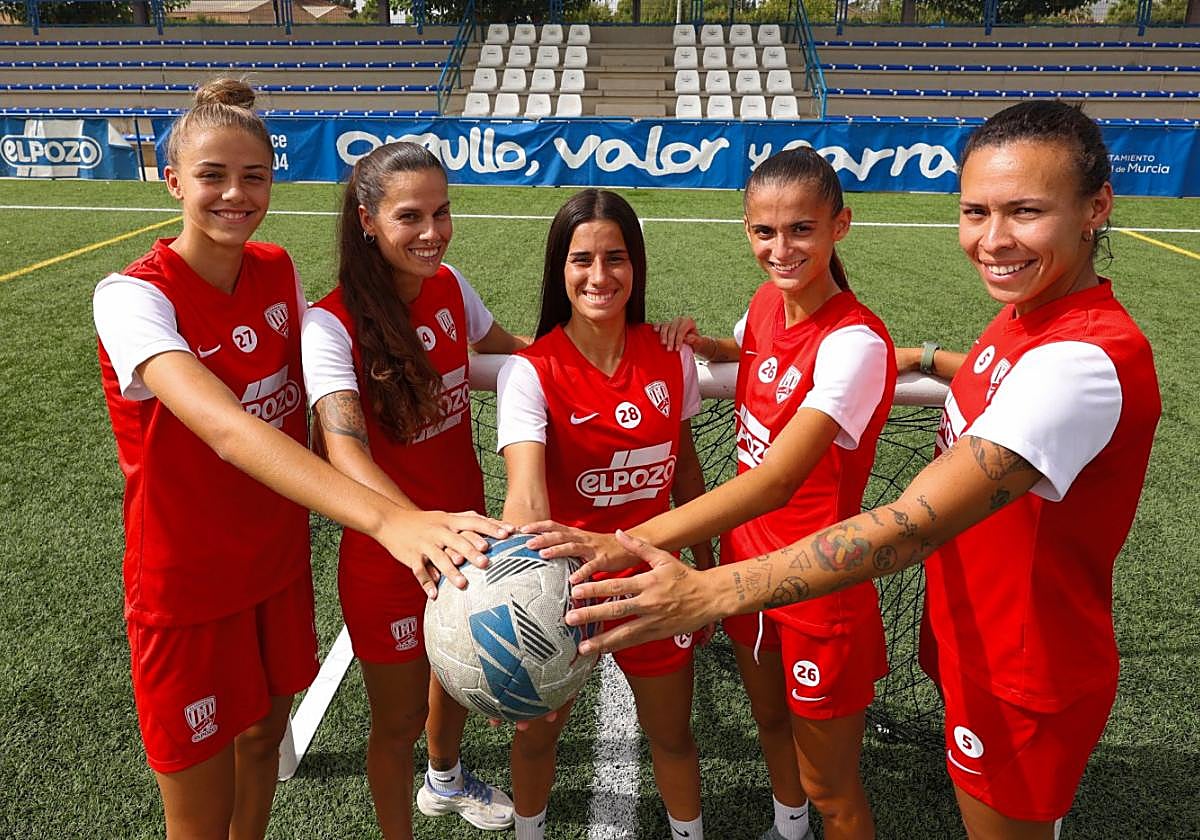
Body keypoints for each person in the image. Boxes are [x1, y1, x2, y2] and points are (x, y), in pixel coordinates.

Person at [562, 101, 1162, 840]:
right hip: (969, 633)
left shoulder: (1080, 360)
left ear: (1096, 208)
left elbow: (908, 526)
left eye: (1026, 211)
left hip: (1020, 665)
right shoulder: (1026, 318)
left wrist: (700, 587)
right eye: (976, 211)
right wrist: (924, 358)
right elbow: (992, 375)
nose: (993, 239)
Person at [92, 80, 508, 840]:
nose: (235, 194)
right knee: (198, 810)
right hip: (188, 588)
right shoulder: (131, 298)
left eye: (254, 175)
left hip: (278, 568)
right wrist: (394, 521)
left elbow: (343, 384)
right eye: (213, 175)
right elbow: (229, 430)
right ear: (172, 178)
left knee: (262, 751)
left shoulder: (278, 270)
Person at [528, 148, 895, 840]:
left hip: (816, 583)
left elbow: (775, 481)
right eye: (764, 231)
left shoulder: (854, 343)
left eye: (801, 230)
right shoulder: (766, 306)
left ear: (840, 227)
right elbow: (751, 349)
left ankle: (807, 815)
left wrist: (626, 542)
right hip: (742, 566)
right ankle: (788, 829)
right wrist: (697, 342)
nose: (780, 249)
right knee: (767, 722)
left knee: (834, 787)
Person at [300, 141, 527, 838]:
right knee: (395, 722)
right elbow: (343, 448)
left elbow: (518, 352)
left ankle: (447, 780)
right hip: (388, 557)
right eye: (410, 216)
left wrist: (628, 344)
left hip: (467, 539)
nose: (432, 232)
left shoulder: (452, 286)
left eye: (442, 211)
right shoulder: (329, 323)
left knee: (459, 677)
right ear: (367, 219)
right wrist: (413, 526)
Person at [495, 189, 713, 840]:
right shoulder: (528, 372)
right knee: (537, 739)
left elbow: (687, 469)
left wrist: (707, 564)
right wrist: (509, 615)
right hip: (563, 591)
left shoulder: (670, 355)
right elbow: (526, 497)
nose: (599, 276)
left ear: (636, 266)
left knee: (672, 736)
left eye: (615, 258)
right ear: (559, 270)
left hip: (654, 584)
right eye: (581, 258)